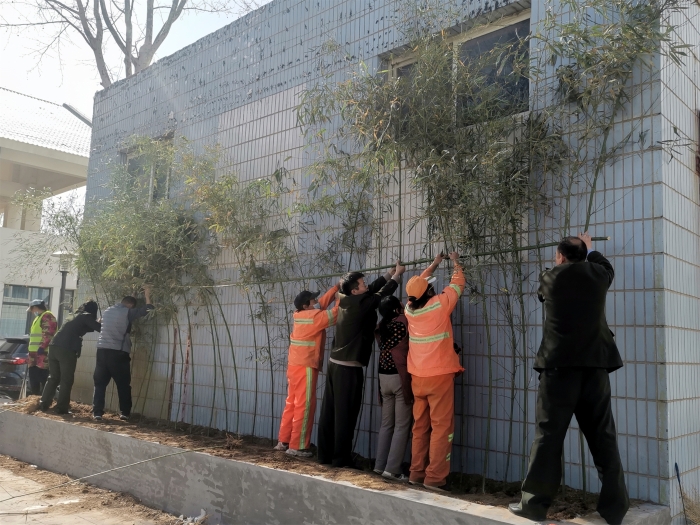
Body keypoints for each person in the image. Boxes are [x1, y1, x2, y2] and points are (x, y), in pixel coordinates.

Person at [509, 232, 628, 524]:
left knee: (548, 436)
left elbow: (543, 292)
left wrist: (579, 253)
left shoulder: (550, 279)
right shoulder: (599, 275)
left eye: (556, 255)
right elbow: (606, 267)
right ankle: (615, 509)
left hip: (559, 370)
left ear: (561, 257)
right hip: (595, 369)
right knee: (603, 436)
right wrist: (590, 249)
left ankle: (534, 505)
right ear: (583, 254)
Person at [317, 261, 405, 468]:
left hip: (335, 365)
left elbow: (372, 291)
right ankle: (341, 459)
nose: (366, 285)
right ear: (355, 290)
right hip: (348, 368)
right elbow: (379, 296)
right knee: (346, 413)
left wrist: (388, 273)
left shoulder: (348, 299)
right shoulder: (361, 303)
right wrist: (397, 276)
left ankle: (325, 455)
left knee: (330, 412)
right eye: (362, 283)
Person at [405, 252, 465, 492]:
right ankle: (435, 478)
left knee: (420, 427)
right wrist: (455, 262)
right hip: (439, 377)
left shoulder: (410, 309)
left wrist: (433, 265)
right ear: (429, 292)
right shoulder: (440, 305)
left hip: (417, 378)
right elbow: (458, 283)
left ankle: (416, 473)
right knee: (441, 427)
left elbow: (416, 287)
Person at [275, 283, 340, 457]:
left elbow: (320, 308)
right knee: (305, 405)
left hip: (294, 365)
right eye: (313, 300)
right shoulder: (314, 317)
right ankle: (298, 446)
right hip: (306, 366)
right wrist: (341, 299)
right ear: (306, 306)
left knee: (292, 403)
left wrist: (335, 288)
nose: (316, 301)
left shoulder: (300, 315)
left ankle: (284, 441)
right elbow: (334, 315)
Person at [92, 287, 154, 421]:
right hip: (118, 353)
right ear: (130, 306)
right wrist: (147, 294)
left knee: (100, 383)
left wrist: (133, 295)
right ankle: (125, 413)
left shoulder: (108, 310)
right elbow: (148, 309)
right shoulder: (127, 312)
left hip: (102, 351)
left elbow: (101, 321)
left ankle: (97, 413)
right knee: (123, 384)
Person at [373, 295, 412, 481]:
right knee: (402, 425)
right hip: (398, 375)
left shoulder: (381, 326)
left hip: (382, 376)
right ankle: (393, 469)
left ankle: (379, 466)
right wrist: (404, 309)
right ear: (397, 308)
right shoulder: (403, 321)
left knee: (386, 424)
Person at [39, 300, 101, 414]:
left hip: (53, 347)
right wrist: (101, 322)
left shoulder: (73, 315)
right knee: (66, 380)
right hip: (66, 350)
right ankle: (61, 408)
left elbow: (84, 327)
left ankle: (43, 403)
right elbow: (99, 328)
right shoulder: (86, 316)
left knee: (53, 377)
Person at [26, 299, 57, 396]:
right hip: (33, 353)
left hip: (42, 352)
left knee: (43, 376)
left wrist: (42, 347)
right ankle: (34, 399)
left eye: (32, 309)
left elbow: (48, 333)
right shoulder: (38, 318)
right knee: (33, 377)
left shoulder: (47, 316)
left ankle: (44, 400)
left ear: (35, 307)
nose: (31, 311)